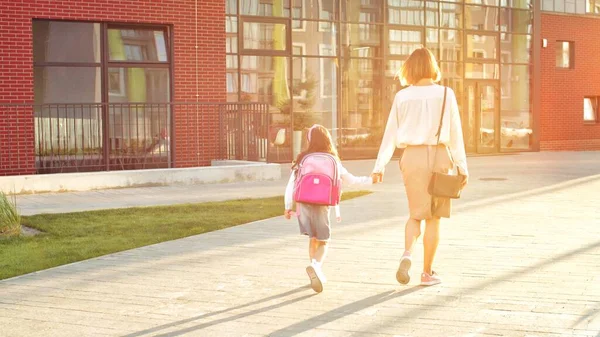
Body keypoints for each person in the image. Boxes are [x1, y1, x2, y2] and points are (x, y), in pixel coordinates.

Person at [372, 47, 469, 287]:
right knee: (434, 218)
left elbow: (390, 134)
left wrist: (379, 165)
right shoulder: (446, 94)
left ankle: (407, 254)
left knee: (415, 214)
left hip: (412, 158)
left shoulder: (402, 97)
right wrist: (462, 166)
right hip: (439, 158)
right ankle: (426, 273)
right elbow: (456, 134)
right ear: (433, 67)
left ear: (410, 69)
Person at [284, 124, 378, 293]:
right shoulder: (333, 160)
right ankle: (316, 266)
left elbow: (291, 183)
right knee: (324, 240)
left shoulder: (303, 159)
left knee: (312, 238)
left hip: (303, 204)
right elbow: (350, 180)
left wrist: (287, 206)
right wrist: (370, 180)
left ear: (310, 140)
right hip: (322, 204)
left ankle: (314, 271)